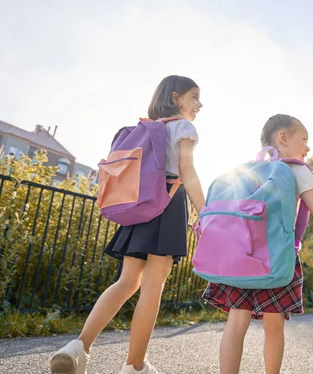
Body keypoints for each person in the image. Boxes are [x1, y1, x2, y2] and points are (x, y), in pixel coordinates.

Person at [202, 114, 313, 374]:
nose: (308, 147)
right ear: (283, 137)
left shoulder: (247, 171)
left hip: (239, 255)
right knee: (274, 325)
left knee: (236, 320)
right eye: (304, 139)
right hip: (277, 258)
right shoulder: (296, 170)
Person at [51, 75, 206, 374]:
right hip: (167, 205)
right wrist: (207, 213)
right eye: (195, 97)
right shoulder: (184, 128)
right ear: (176, 98)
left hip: (139, 206)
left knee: (127, 281)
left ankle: (78, 347)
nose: (200, 104)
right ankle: (134, 367)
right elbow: (188, 172)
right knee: (152, 286)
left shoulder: (148, 128)